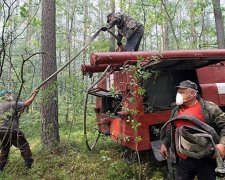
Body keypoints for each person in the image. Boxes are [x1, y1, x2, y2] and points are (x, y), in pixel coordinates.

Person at [160, 80, 225, 180]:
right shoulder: (176, 111)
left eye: (182, 92)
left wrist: (222, 144)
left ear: (192, 93)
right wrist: (165, 143)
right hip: (183, 160)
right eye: (178, 92)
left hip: (205, 159)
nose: (178, 94)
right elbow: (172, 129)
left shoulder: (209, 108)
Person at [0, 88, 39, 171]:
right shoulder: (12, 104)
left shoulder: (1, 105)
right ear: (5, 96)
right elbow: (27, 103)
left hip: (1, 131)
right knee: (24, 146)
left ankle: (1, 168)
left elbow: (18, 111)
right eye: (9, 94)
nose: (11, 95)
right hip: (12, 130)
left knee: (5, 148)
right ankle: (29, 166)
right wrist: (35, 94)